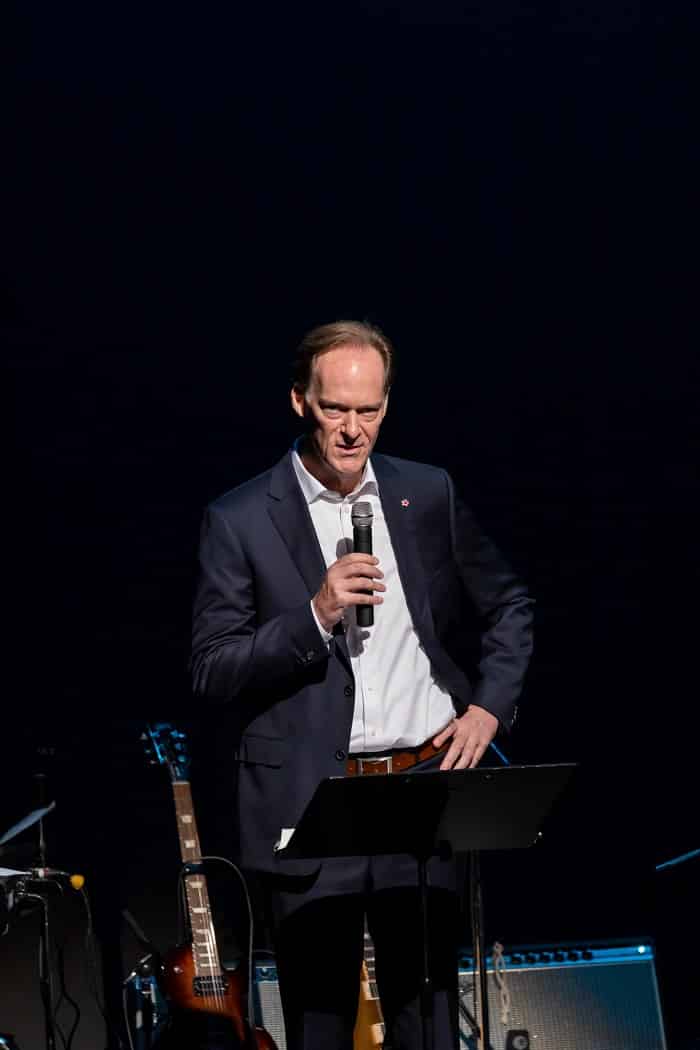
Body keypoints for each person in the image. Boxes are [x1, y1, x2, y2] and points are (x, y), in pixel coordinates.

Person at [191, 320, 534, 1050]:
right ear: (299, 402)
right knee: (321, 1024)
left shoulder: (426, 492)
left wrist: (488, 711)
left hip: (421, 790)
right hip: (314, 803)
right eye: (335, 409)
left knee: (428, 1025)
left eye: (369, 410)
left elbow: (508, 604)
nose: (353, 430)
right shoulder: (241, 517)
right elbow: (213, 666)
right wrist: (313, 615)